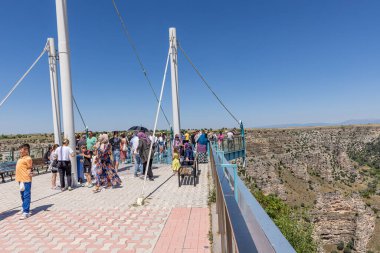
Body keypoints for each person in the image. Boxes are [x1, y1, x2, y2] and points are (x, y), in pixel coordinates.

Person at [15, 143, 33, 220]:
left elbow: (29, 168)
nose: (20, 151)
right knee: (22, 195)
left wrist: (30, 172)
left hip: (26, 179)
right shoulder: (21, 158)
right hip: (20, 179)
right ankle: (24, 207)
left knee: (26, 195)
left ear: (26, 150)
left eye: (21, 149)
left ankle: (26, 212)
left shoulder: (28, 159)